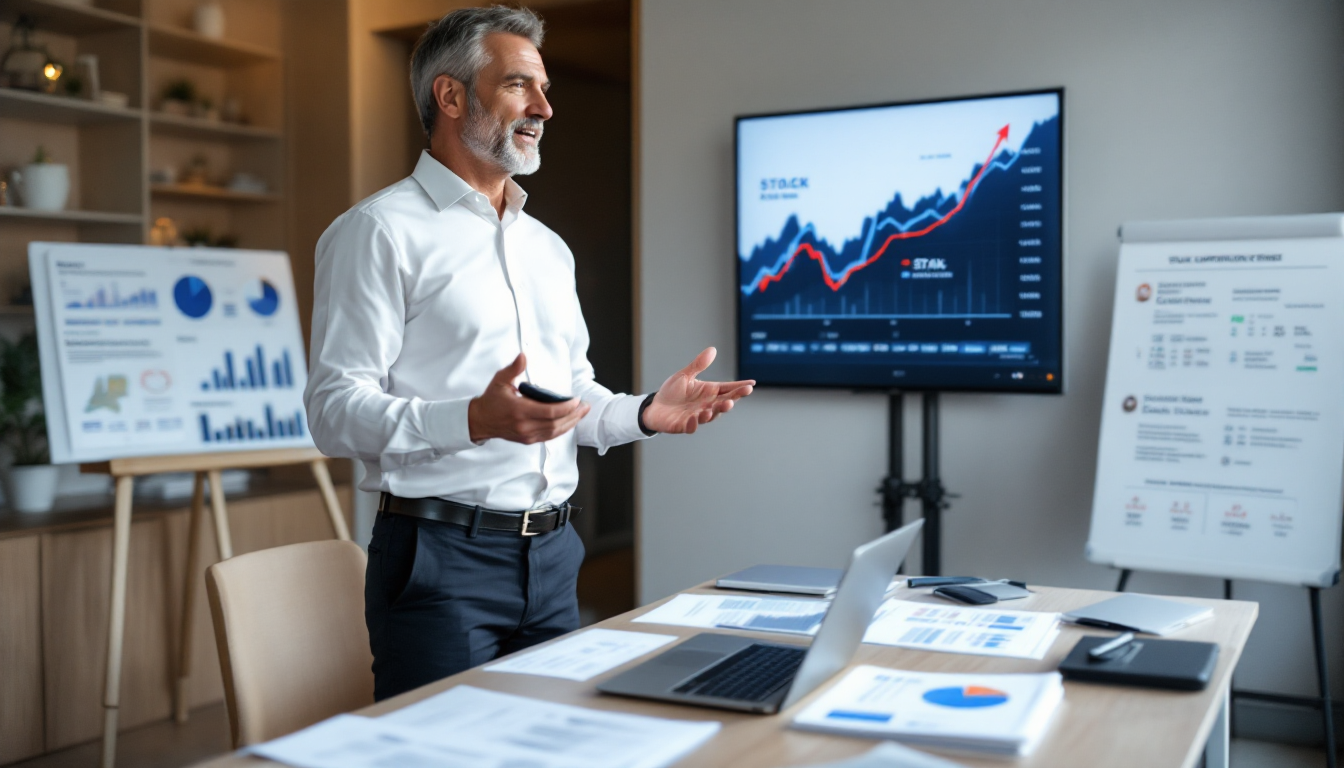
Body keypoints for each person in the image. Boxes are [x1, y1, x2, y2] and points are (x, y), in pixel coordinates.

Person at [304, 6, 754, 701]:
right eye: (518, 85)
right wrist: (472, 421)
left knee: (545, 743)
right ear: (449, 97)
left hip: (552, 556)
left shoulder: (548, 248)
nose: (543, 107)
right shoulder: (376, 233)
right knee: (443, 753)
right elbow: (334, 413)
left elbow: (568, 394)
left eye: (543, 90)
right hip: (438, 560)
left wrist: (643, 413)